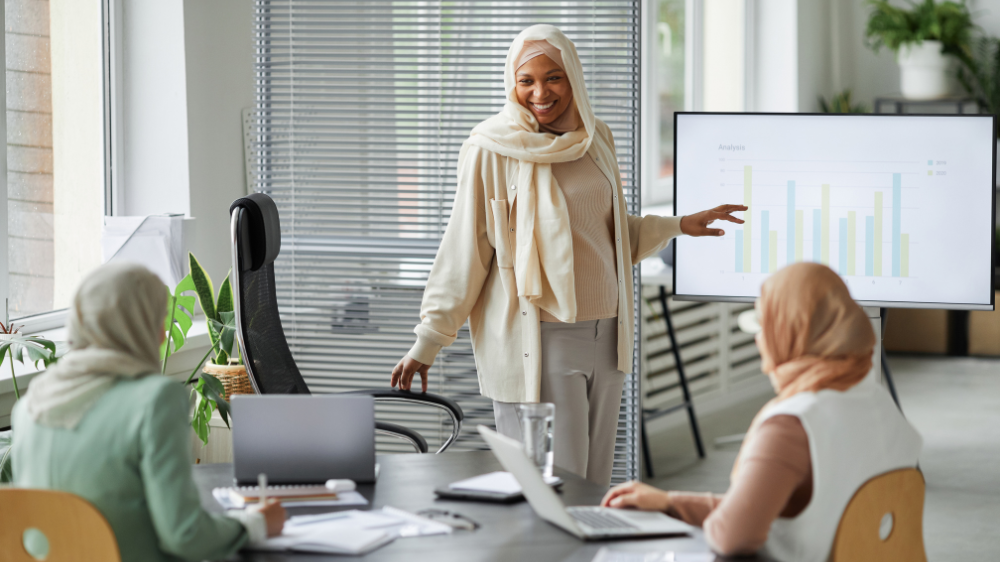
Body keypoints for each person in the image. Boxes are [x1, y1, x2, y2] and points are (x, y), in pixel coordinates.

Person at [389, 23, 745, 486]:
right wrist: (428, 340)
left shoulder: (597, 139)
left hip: (609, 336)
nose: (540, 92)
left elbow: (611, 238)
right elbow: (464, 251)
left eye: (553, 77)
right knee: (553, 486)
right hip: (541, 340)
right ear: (511, 84)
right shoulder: (490, 150)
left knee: (594, 485)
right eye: (527, 80)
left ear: (573, 75)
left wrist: (679, 226)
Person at [600, 263, 923, 561]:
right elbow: (768, 509)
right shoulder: (879, 403)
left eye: (762, 327)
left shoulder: (791, 425)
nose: (759, 340)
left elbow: (733, 536)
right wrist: (670, 503)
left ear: (789, 331)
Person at [12, 262, 285, 562]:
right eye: (156, 322)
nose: (162, 337)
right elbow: (185, 535)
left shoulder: (28, 407)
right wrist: (255, 524)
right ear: (132, 327)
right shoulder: (156, 400)